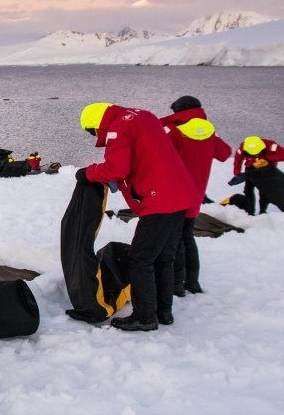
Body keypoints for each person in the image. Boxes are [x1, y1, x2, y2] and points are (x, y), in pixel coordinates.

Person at [76, 103, 199, 331]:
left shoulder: (117, 128)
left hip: (160, 200)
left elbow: (116, 169)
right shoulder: (143, 116)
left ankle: (144, 317)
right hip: (180, 195)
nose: (95, 136)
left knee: (140, 259)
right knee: (163, 257)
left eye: (92, 131)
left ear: (96, 124)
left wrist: (88, 172)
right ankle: (163, 312)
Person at [160, 96, 232, 295]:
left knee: (174, 240)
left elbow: (158, 156)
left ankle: (176, 285)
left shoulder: (175, 132)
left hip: (174, 195)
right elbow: (225, 153)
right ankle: (192, 282)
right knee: (187, 237)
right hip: (196, 194)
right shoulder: (209, 134)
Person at [233, 135, 284, 215]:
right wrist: (237, 173)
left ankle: (263, 210)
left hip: (266, 171)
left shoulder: (271, 145)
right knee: (248, 190)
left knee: (264, 191)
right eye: (252, 155)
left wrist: (269, 159)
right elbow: (237, 160)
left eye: (257, 154)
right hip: (251, 170)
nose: (255, 156)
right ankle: (250, 211)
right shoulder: (242, 148)